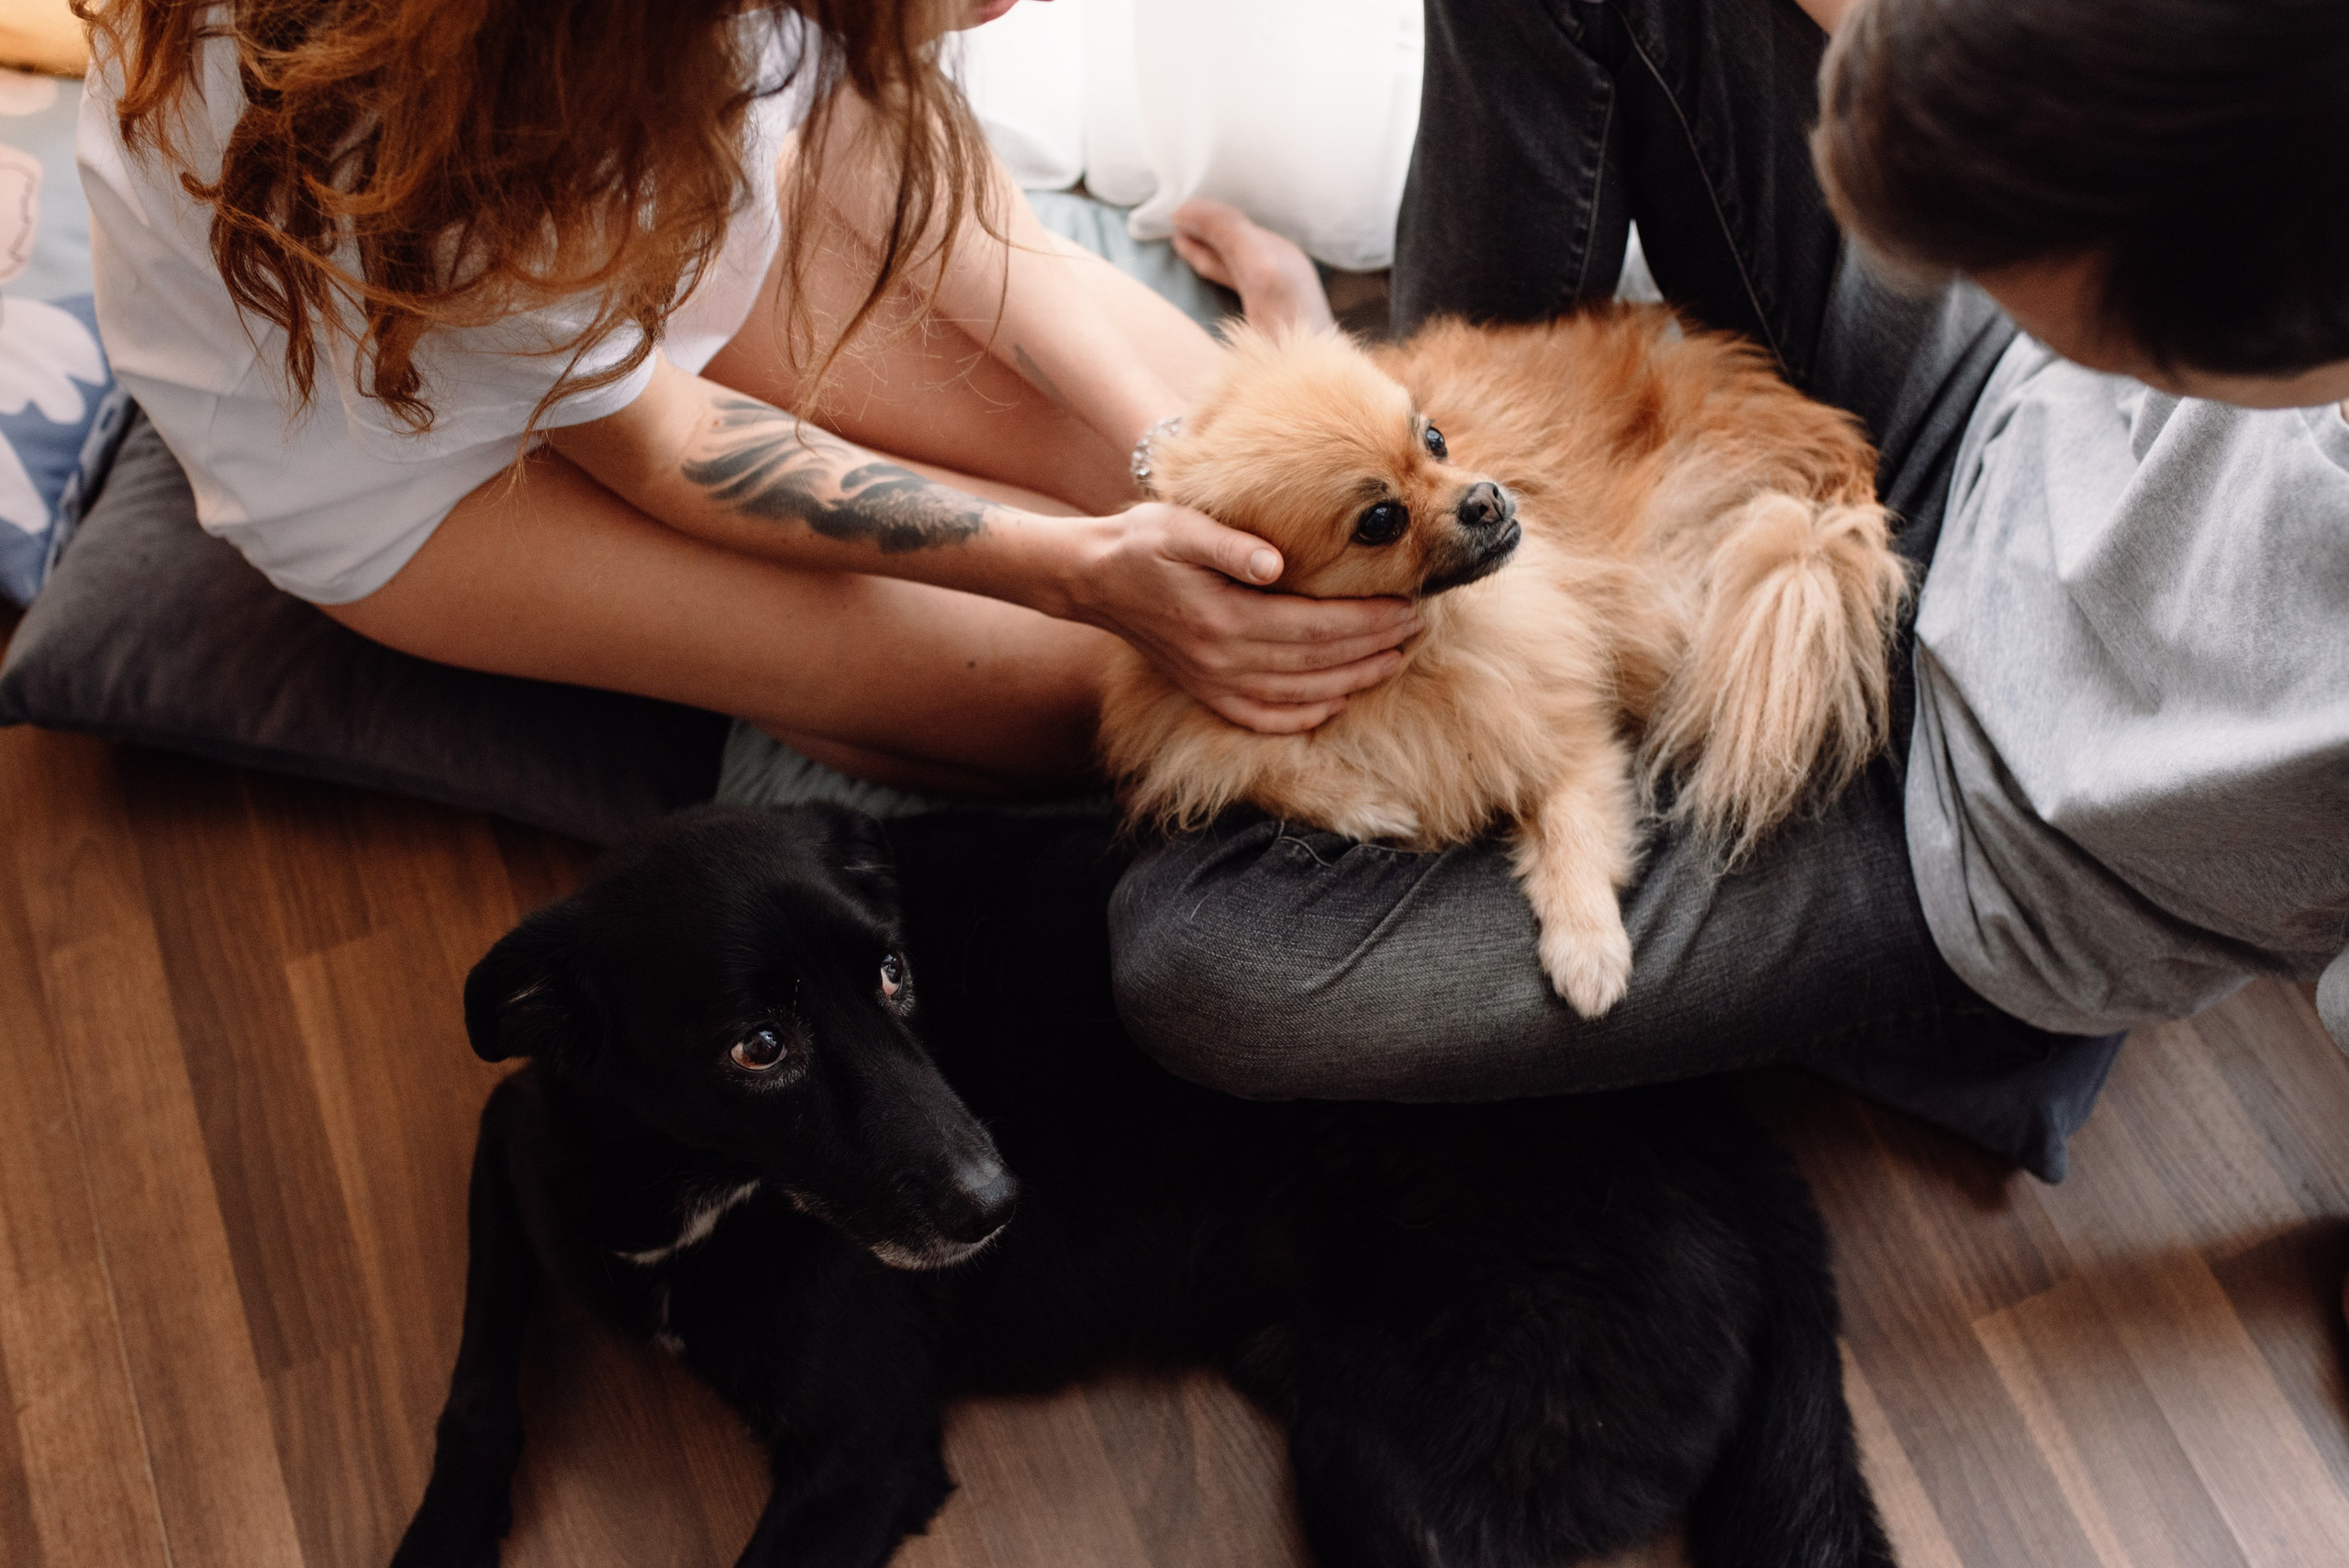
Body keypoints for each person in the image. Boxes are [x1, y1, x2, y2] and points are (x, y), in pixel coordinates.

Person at [1110, 0, 2349, 1184]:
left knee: (1191, 958)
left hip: (1972, 832)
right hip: (1987, 412)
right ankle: (1374, 424)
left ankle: (1403, 492)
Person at [75, 0, 1422, 803]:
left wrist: (1164, 443)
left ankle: (845, 653)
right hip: (396, 431)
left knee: (1263, 489)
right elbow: (663, 449)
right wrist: (1076, 571)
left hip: (636, 195)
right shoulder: (468, 132)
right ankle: (790, 674)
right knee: (1114, 691)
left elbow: (861, 101)